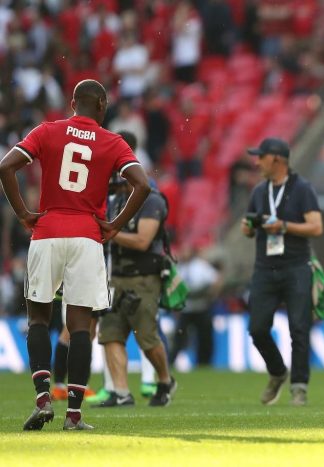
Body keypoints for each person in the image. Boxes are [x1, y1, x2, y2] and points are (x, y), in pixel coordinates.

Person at [0, 79, 151, 431]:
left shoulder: (47, 131)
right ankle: (73, 416)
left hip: (47, 232)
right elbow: (142, 184)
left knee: (39, 318)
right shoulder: (112, 142)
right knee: (80, 326)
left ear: (72, 103)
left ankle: (42, 399)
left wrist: (23, 213)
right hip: (86, 236)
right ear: (102, 106)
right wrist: (114, 224)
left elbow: (6, 167)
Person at [94, 130, 177, 408]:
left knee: (147, 336)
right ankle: (120, 391)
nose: (119, 177)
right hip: (117, 277)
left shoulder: (152, 200)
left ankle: (164, 380)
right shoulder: (117, 201)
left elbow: (143, 241)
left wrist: (110, 231)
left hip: (145, 278)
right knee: (110, 334)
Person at [241, 137, 323, 407]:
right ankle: (278, 372)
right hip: (265, 267)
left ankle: (299, 387)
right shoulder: (259, 191)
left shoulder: (302, 189)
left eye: (260, 156)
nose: (256, 161)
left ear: (276, 159)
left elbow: (316, 227)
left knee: (299, 329)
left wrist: (284, 226)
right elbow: (250, 226)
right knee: (257, 328)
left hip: (296, 265)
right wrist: (249, 227)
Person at [171, 245, 221, 367]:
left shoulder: (201, 266)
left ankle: (204, 364)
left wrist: (211, 296)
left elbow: (216, 280)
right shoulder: (178, 268)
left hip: (202, 308)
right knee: (179, 338)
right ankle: (170, 362)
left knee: (204, 338)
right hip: (186, 308)